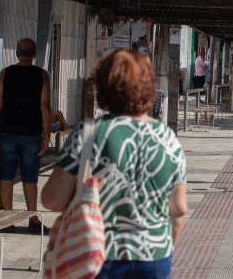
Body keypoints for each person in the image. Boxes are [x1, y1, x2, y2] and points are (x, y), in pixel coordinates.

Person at [41, 49, 188, 278]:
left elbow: (52, 199)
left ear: (104, 86)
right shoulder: (167, 138)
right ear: (149, 87)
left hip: (98, 257)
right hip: (154, 259)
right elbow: (178, 209)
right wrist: (164, 250)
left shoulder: (89, 134)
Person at [0, 37, 51, 233]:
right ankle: (32, 219)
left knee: (6, 175)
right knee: (30, 177)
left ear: (17, 53)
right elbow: (45, 106)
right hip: (32, 134)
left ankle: (8, 219)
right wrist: (47, 135)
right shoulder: (42, 75)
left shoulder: (6, 73)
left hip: (7, 133)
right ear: (34, 55)